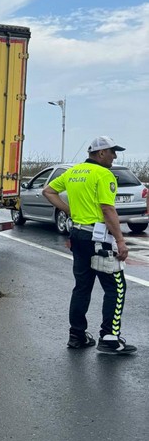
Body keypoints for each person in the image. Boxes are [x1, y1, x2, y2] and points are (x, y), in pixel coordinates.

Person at [42, 136, 136, 354]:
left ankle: (77, 335)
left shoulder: (73, 172)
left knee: (82, 287)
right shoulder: (104, 174)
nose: (115, 156)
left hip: (77, 235)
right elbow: (107, 209)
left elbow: (48, 191)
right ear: (101, 153)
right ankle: (110, 338)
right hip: (98, 239)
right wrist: (120, 241)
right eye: (112, 152)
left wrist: (69, 211)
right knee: (116, 287)